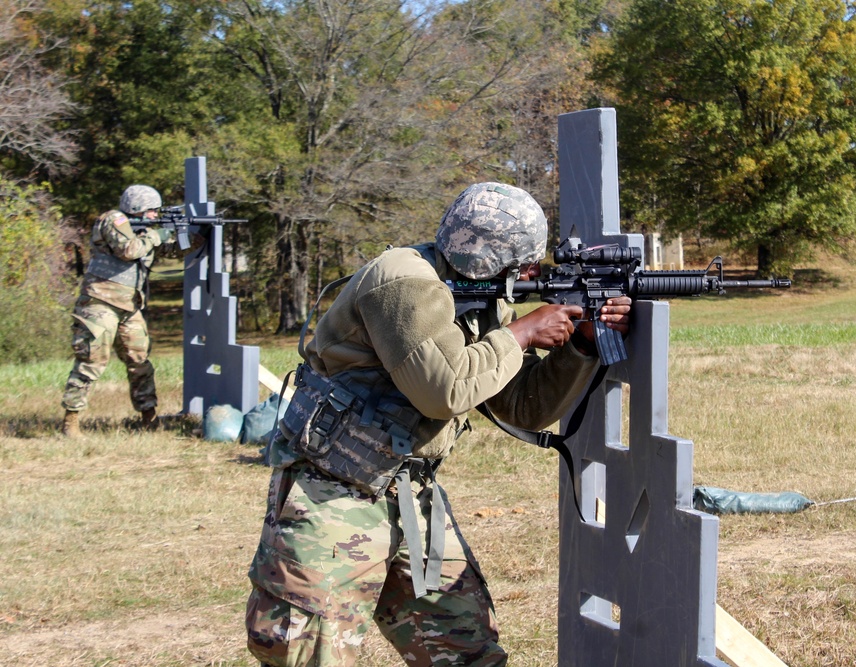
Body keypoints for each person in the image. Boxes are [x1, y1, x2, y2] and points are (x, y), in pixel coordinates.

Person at [245, 182, 632, 666]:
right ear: (495, 256)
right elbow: (444, 391)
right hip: (334, 495)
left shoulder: (482, 295)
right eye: (525, 262)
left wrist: (582, 345)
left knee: (466, 649)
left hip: (410, 496)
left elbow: (523, 406)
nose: (532, 273)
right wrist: (523, 332)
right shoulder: (403, 280)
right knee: (309, 655)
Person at [60, 184, 175, 438]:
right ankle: (71, 421)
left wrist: (190, 236)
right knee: (91, 361)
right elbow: (128, 250)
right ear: (138, 208)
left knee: (140, 361)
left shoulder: (145, 231)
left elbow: (168, 250)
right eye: (153, 211)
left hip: (129, 306)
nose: (156, 216)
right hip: (99, 303)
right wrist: (158, 235)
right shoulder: (114, 220)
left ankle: (149, 417)